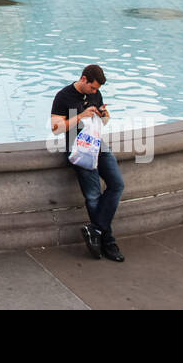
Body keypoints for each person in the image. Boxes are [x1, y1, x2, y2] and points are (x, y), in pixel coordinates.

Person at [50, 64, 124, 262]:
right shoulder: (63, 96)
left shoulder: (95, 94)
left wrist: (104, 115)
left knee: (117, 184)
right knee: (93, 196)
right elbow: (55, 129)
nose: (95, 92)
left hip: (97, 144)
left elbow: (104, 120)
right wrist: (80, 116)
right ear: (84, 79)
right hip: (78, 149)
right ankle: (108, 242)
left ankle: (95, 229)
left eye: (97, 89)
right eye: (92, 87)